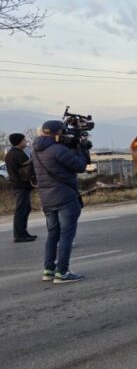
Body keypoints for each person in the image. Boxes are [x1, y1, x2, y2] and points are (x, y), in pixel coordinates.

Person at [31, 120, 88, 283]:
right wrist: (79, 148)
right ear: (58, 133)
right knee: (66, 236)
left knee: (52, 235)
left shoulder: (35, 151)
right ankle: (62, 272)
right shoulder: (58, 150)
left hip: (47, 199)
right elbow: (80, 166)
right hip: (65, 197)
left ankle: (49, 269)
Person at [5, 133, 36, 242]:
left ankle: (23, 232)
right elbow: (28, 170)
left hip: (17, 185)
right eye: (24, 140)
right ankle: (19, 234)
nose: (26, 141)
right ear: (19, 141)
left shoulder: (10, 154)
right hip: (21, 185)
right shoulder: (19, 154)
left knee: (25, 209)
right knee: (22, 210)